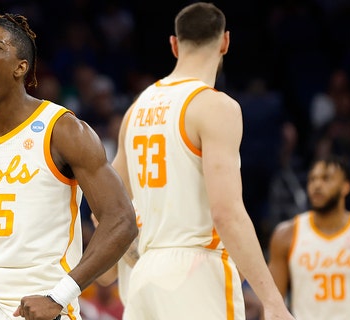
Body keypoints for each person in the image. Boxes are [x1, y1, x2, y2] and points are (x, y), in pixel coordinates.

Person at [0, 13, 138, 320]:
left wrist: (59, 295)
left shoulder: (62, 130)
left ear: (20, 67)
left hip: (39, 305)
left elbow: (121, 219)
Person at [111, 3, 294, 319]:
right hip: (197, 271)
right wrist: (273, 301)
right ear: (225, 42)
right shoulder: (215, 106)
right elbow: (226, 213)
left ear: (174, 44)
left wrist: (132, 255)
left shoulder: (136, 109)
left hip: (144, 275)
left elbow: (108, 204)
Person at [268, 155, 350, 319]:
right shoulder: (285, 235)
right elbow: (271, 304)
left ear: (346, 187)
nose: (317, 185)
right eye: (312, 179)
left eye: (326, 178)